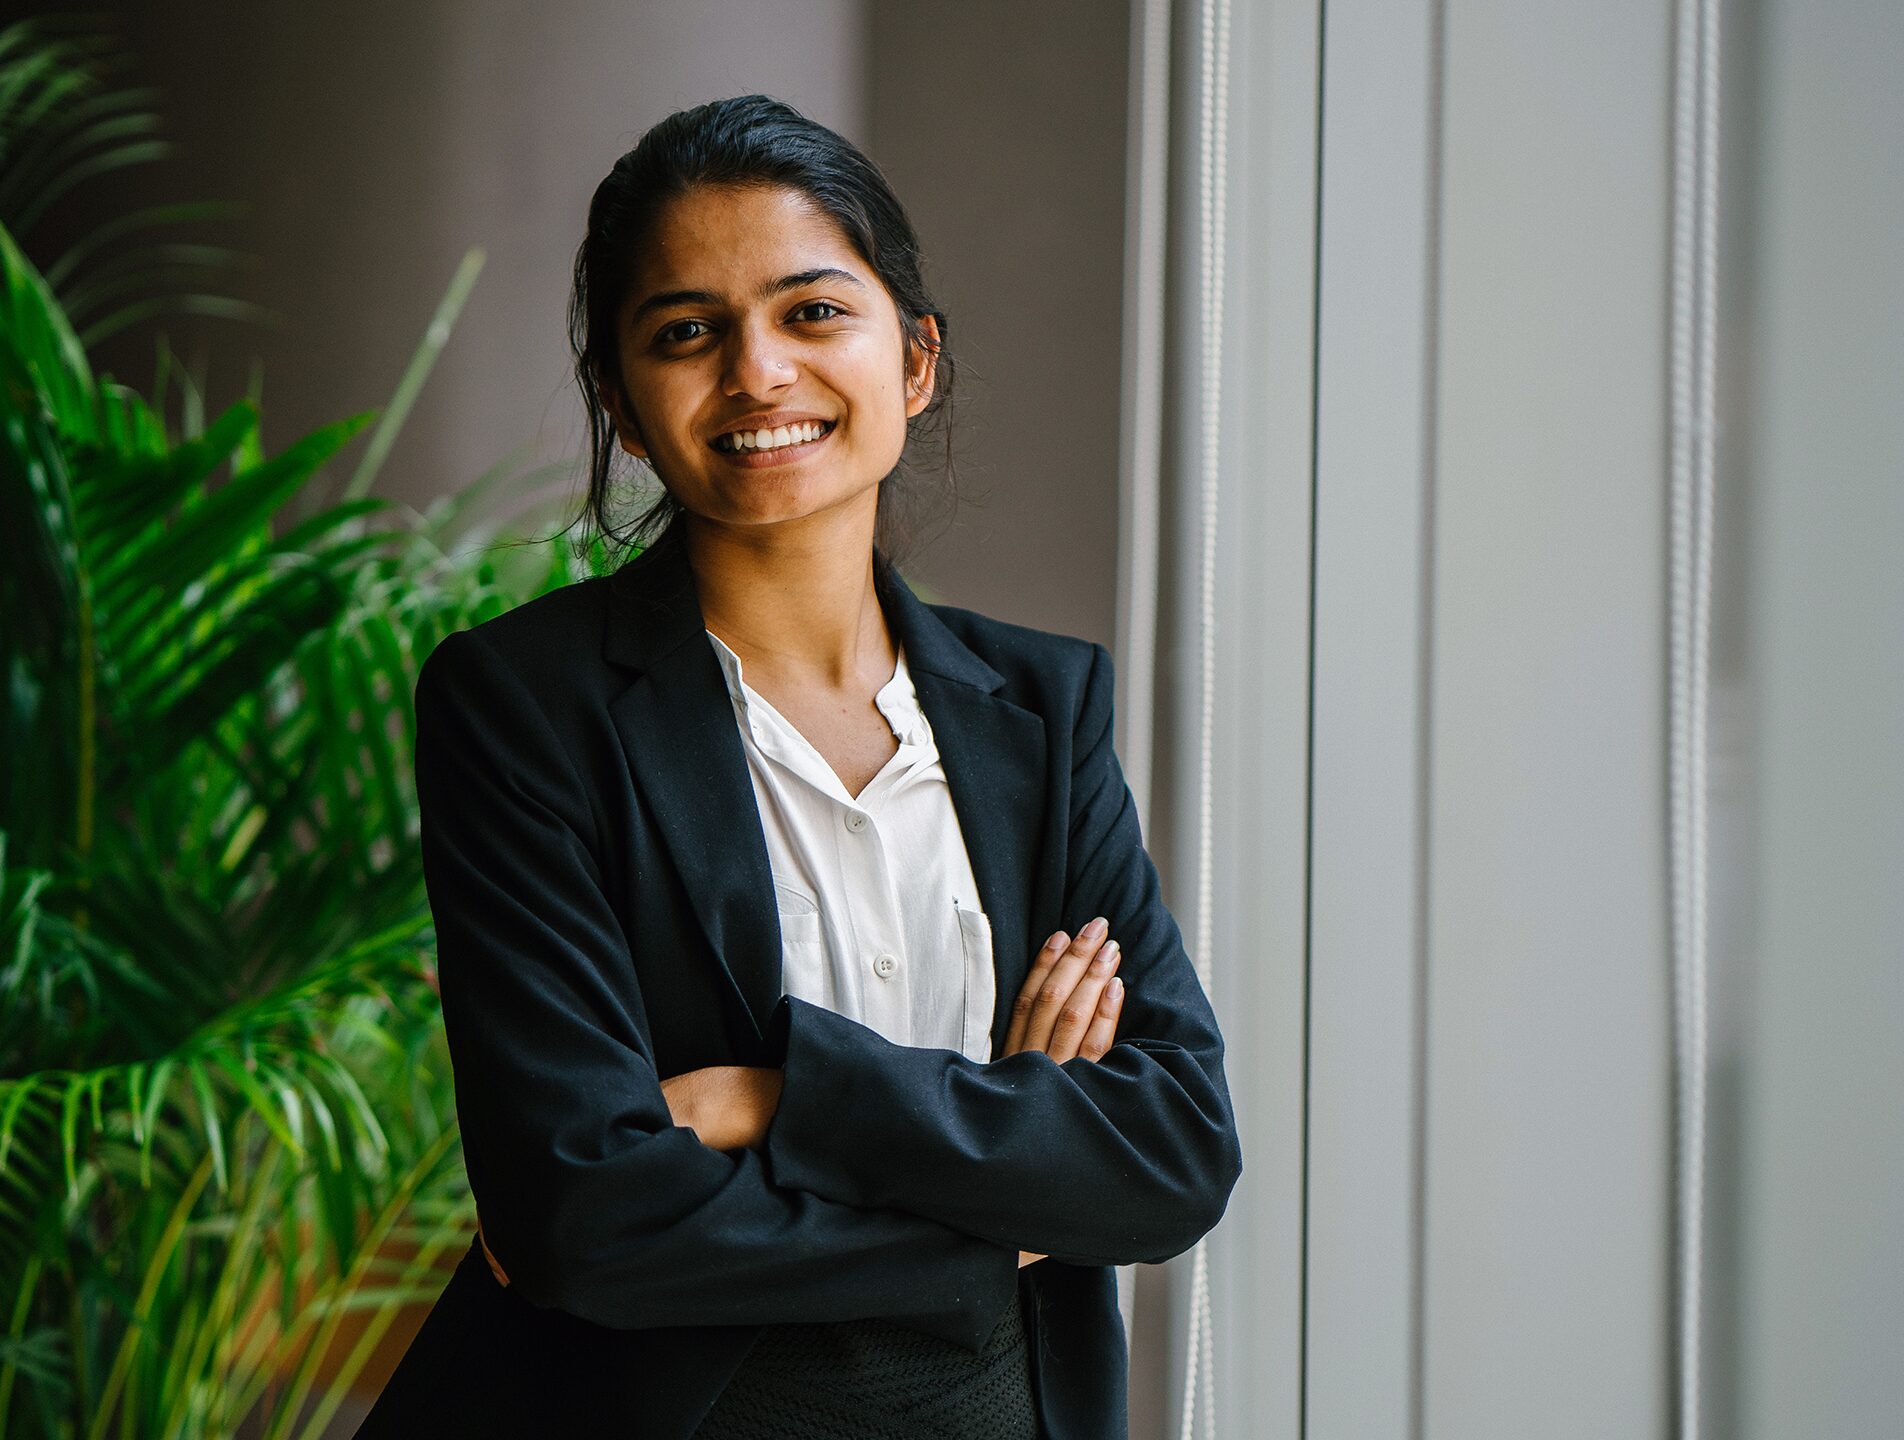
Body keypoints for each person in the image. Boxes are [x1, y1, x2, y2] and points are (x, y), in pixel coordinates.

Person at [354, 95, 1240, 1440]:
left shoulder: (1045, 711)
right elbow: (581, 1217)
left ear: (917, 357)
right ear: (627, 411)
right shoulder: (523, 708)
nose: (758, 372)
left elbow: (1169, 1155)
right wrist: (1005, 1199)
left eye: (813, 312)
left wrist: (772, 1097)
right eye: (687, 333)